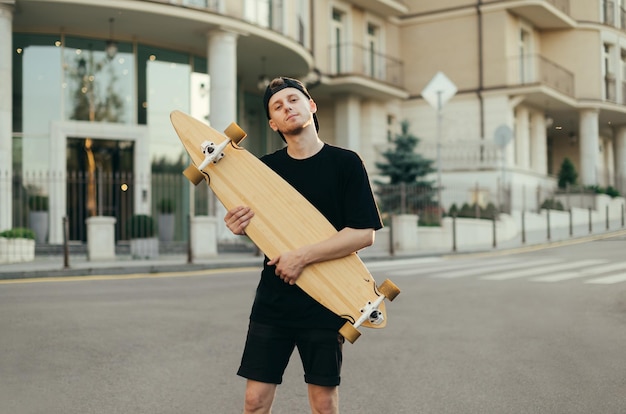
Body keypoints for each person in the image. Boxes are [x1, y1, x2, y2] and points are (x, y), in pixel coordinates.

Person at [224, 77, 383, 414]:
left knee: (323, 403)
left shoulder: (346, 163)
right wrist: (238, 226)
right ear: (273, 123)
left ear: (311, 105)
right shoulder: (265, 169)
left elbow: (363, 233)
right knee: (254, 402)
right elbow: (259, 225)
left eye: (293, 100)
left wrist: (302, 257)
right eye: (278, 107)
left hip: (327, 296)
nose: (287, 108)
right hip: (274, 298)